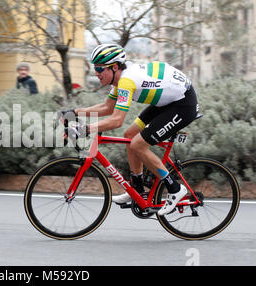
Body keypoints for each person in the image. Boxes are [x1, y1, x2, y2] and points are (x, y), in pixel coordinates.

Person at [63, 44, 199, 216]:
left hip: (183, 104)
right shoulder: (120, 80)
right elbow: (107, 108)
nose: (96, 73)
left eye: (99, 68)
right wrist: (74, 113)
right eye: (94, 68)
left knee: (138, 144)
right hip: (167, 102)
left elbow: (117, 120)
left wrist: (85, 129)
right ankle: (137, 187)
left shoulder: (126, 81)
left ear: (114, 67)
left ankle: (175, 188)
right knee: (130, 136)